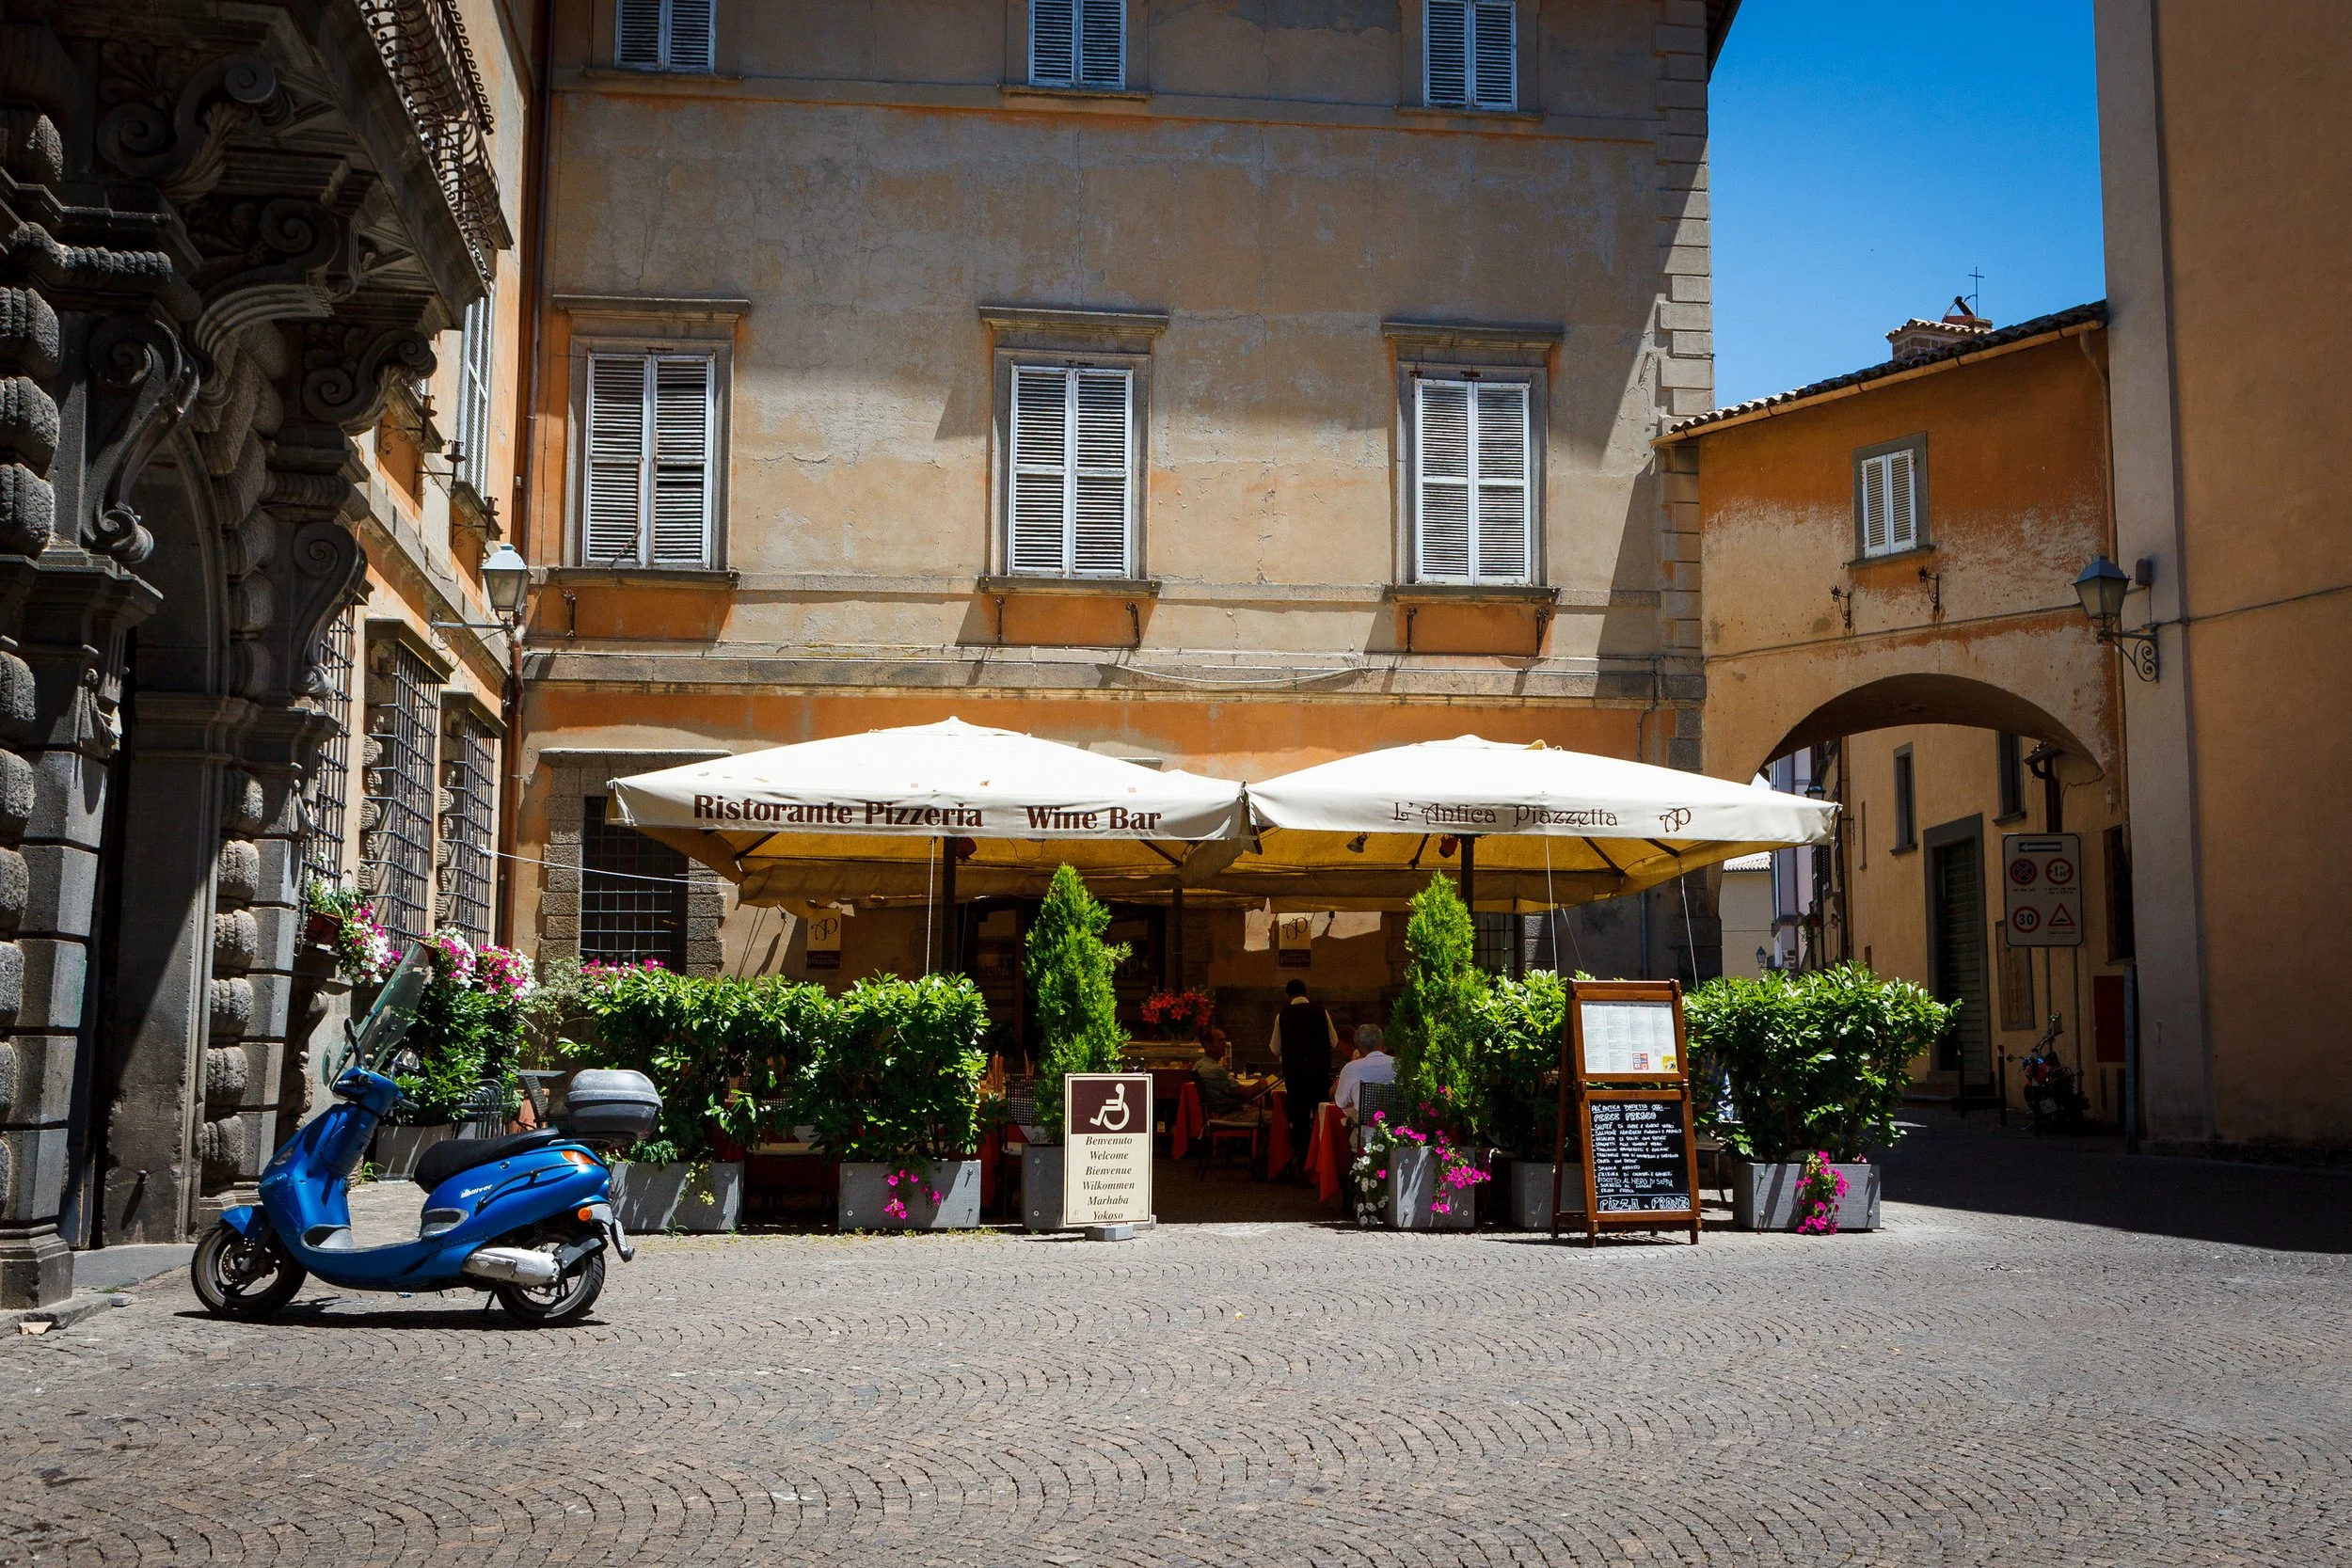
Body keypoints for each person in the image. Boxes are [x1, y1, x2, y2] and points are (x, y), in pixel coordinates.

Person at [1266, 978, 1338, 1178]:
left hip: (1295, 1077)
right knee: (1320, 1120)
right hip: (1319, 1075)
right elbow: (1334, 1041)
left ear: (1288, 995)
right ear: (1307, 992)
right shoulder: (1321, 1012)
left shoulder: (1283, 1015)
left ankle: (1302, 1166)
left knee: (1299, 1123)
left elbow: (1274, 1048)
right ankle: (1322, 1166)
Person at [1192, 1028, 1265, 1118]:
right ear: (1208, 1045)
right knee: (1277, 1118)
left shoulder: (1198, 1065)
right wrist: (1261, 1083)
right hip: (1233, 1114)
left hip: (1220, 1112)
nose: (1225, 1044)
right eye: (1220, 1041)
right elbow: (1245, 1094)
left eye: (1225, 1040)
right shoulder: (1215, 1070)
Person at [1331, 1023, 1395, 1125]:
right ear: (1382, 1042)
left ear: (1358, 1048)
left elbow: (1340, 1102)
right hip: (1400, 1130)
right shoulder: (1401, 1065)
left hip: (1366, 1130)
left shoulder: (1351, 1068)